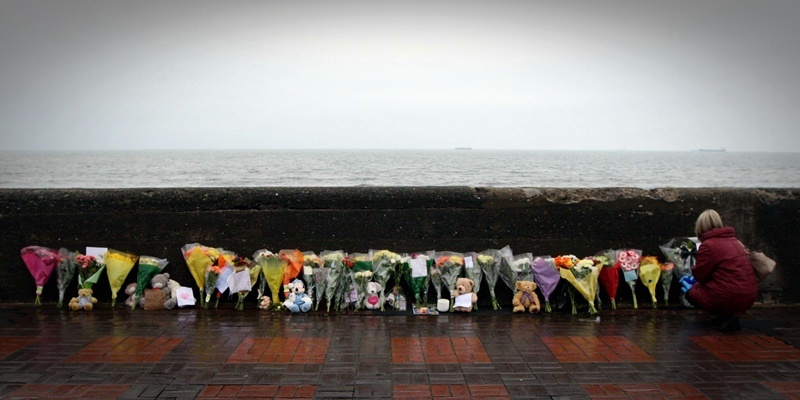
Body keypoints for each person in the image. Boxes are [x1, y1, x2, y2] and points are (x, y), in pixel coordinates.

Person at [679, 209, 758, 332]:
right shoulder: (734, 241)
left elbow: (700, 275)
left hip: (730, 295)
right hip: (749, 295)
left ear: (699, 227)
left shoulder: (708, 245)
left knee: (692, 293)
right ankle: (728, 317)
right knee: (721, 286)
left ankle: (725, 317)